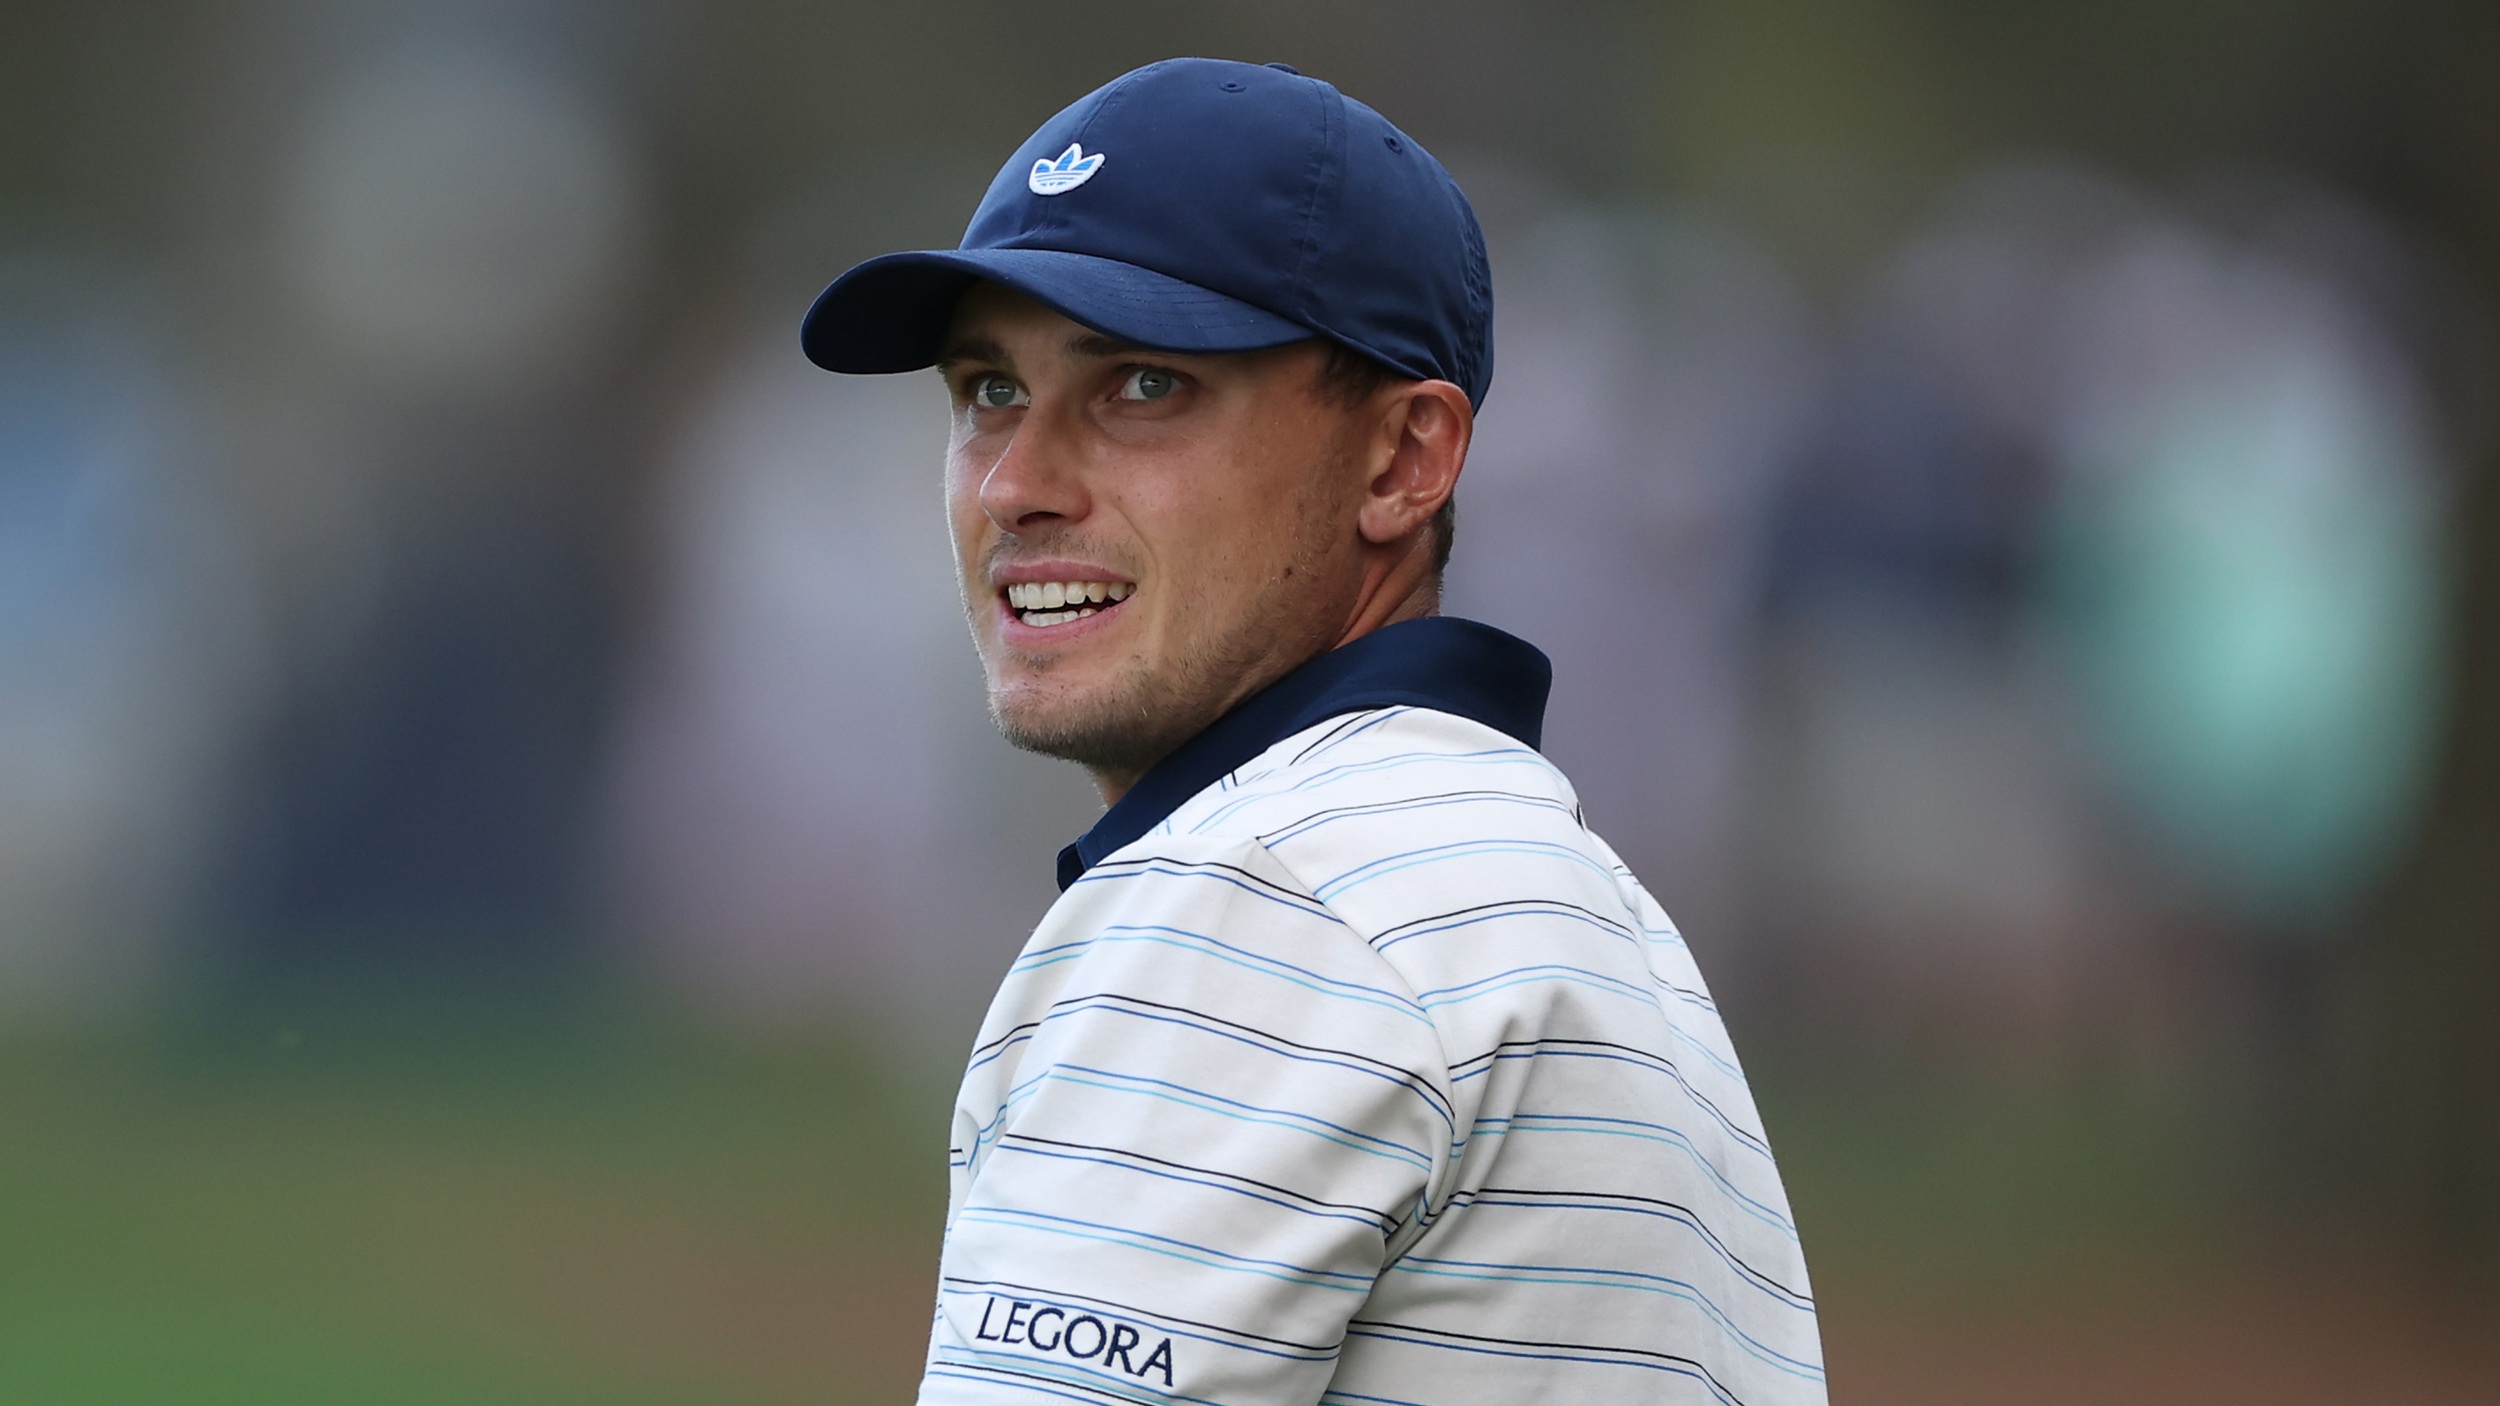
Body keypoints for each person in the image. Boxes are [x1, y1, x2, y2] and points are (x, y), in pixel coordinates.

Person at [800, 56, 1823, 1406]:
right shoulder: (1547, 890)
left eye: (1144, 387)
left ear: (1404, 459)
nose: (1015, 482)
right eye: (990, 389)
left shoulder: (1262, 902)